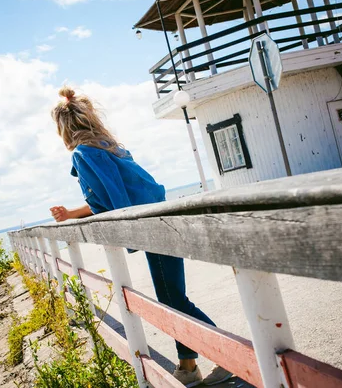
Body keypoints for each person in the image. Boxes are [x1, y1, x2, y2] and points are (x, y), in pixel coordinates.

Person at [49, 87, 232, 387]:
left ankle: (229, 356)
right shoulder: (109, 147)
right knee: (171, 296)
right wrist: (71, 214)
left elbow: (113, 200)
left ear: (64, 129)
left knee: (173, 298)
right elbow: (113, 194)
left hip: (150, 227)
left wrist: (126, 233)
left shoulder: (84, 154)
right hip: (160, 218)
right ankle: (188, 366)